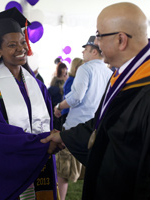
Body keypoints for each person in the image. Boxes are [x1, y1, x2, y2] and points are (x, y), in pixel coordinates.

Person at [41, 2, 150, 200]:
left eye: (99, 35)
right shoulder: (120, 76)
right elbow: (103, 127)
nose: (96, 43)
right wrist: (65, 137)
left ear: (120, 40)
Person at [0, 7, 61, 200]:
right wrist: (41, 143)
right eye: (12, 45)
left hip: (40, 164)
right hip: (6, 167)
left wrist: (47, 141)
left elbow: (47, 124)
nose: (21, 49)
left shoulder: (38, 86)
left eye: (22, 42)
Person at [53, 36, 112, 200]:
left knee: (62, 172)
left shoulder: (85, 68)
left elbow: (76, 97)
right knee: (92, 172)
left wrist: (58, 107)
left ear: (94, 51)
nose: (82, 52)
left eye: (85, 49)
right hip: (95, 128)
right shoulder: (109, 72)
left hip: (75, 128)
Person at [60, 57, 84, 124]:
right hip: (68, 112)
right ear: (76, 68)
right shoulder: (71, 80)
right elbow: (70, 98)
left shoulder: (72, 79)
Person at [48, 62, 68, 131]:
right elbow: (50, 90)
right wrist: (59, 89)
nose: (64, 70)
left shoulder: (67, 79)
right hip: (55, 103)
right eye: (62, 68)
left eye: (65, 68)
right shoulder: (55, 79)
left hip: (64, 104)